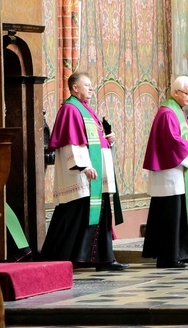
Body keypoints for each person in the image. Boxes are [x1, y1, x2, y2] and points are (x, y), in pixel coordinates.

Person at [40, 71, 128, 271]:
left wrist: (108, 140)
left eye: (91, 85)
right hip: (82, 175)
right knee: (73, 216)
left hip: (95, 176)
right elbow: (71, 141)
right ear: (74, 87)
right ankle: (58, 259)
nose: (91, 88)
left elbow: (94, 142)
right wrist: (83, 165)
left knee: (101, 214)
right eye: (87, 85)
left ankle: (104, 259)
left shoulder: (86, 110)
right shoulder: (71, 109)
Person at [142, 76, 188, 269]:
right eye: (187, 93)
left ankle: (186, 253)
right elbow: (173, 141)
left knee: (184, 214)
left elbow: (185, 135)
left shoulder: (177, 111)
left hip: (181, 172)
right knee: (172, 216)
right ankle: (169, 257)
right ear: (176, 92)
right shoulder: (167, 113)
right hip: (171, 174)